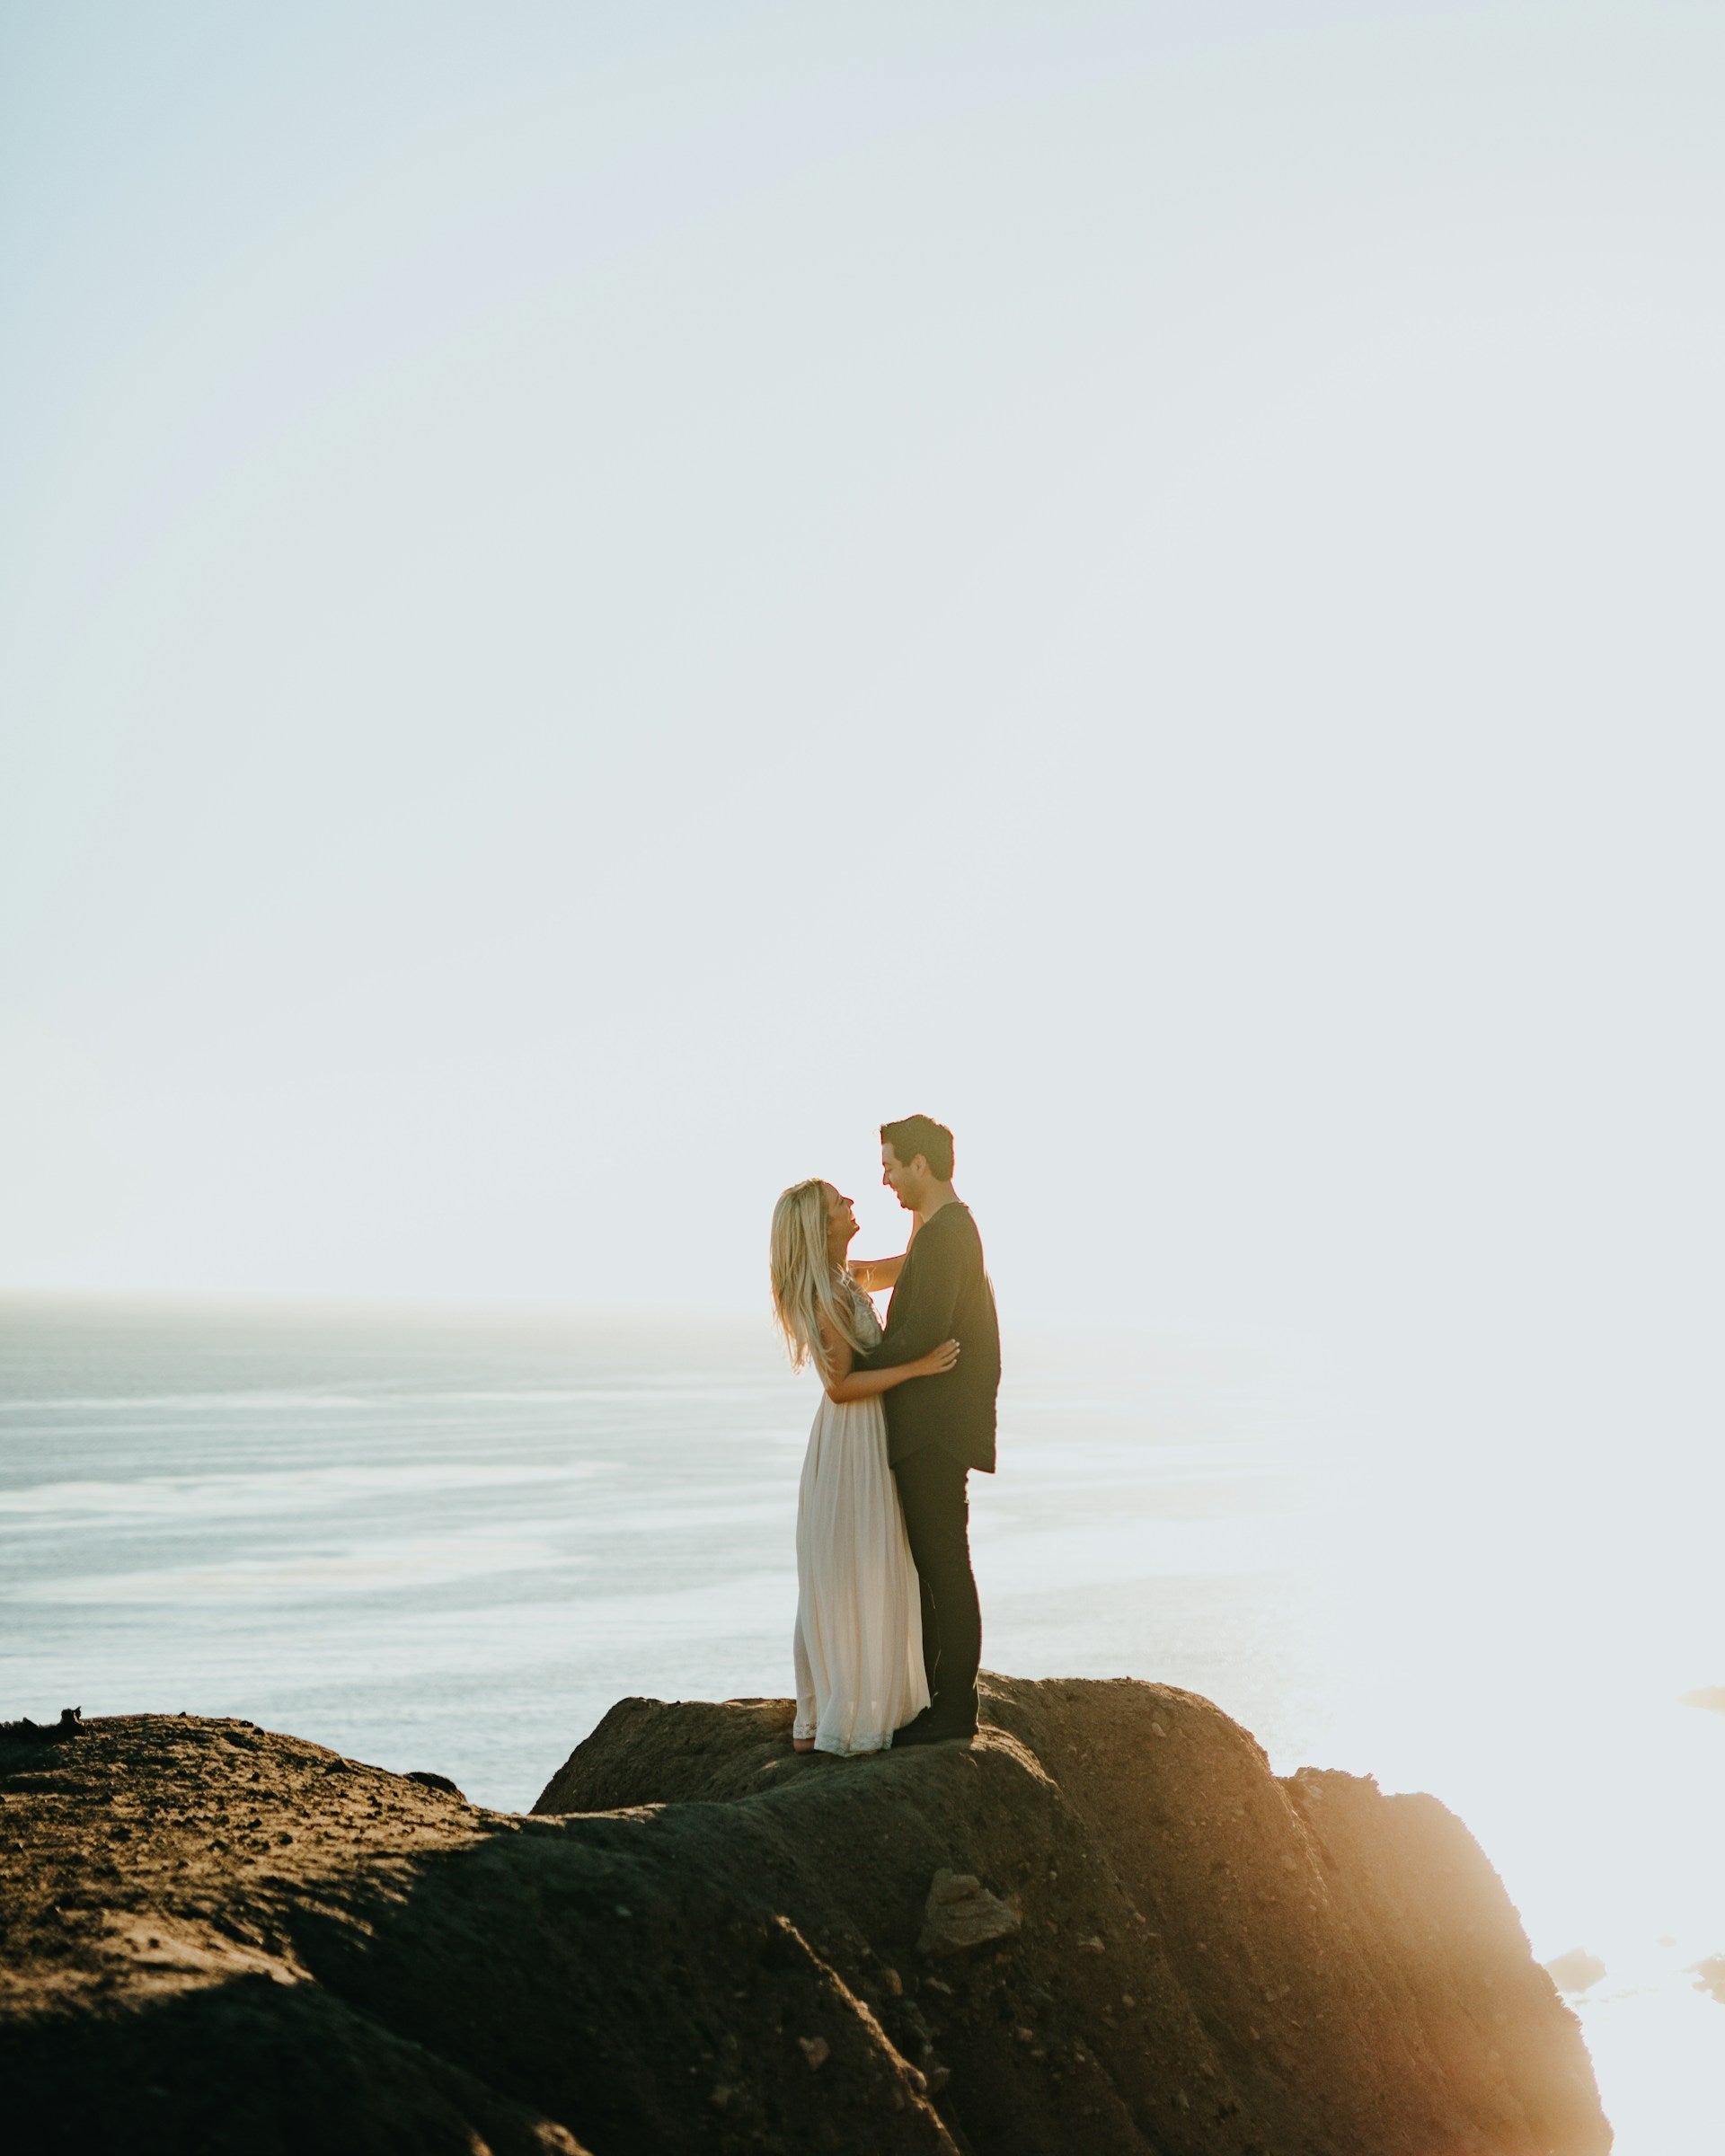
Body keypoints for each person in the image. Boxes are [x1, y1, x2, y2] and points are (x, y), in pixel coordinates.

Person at [768, 1178, 960, 1755]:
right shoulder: (827, 1293)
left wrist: (926, 1200)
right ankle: (838, 1712)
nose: (852, 1204)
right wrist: (920, 1367)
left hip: (866, 1435)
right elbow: (842, 1387)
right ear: (821, 1227)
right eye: (839, 1204)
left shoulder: (847, 1278)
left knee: (859, 1562)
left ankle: (837, 1704)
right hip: (854, 1436)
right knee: (856, 1563)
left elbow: (907, 1264)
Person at [852, 1114, 1001, 1746]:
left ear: (920, 1163)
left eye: (889, 1164)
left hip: (935, 1428)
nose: (883, 1178)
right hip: (934, 1425)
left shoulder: (947, 1235)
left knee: (943, 1566)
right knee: (935, 1566)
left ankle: (953, 1710)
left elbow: (922, 1331)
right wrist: (835, 1271)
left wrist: (852, 1366)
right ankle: (941, 1701)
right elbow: (895, 1275)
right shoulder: (940, 1230)